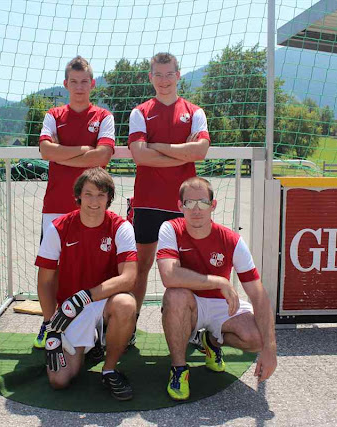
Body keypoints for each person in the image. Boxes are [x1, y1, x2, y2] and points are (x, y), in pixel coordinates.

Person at [156, 177, 277, 401]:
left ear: (213, 205)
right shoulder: (170, 228)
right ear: (179, 206)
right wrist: (218, 281)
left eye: (202, 202)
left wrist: (269, 350)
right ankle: (179, 369)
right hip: (190, 303)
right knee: (175, 294)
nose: (196, 210)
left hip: (221, 306)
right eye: (189, 203)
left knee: (256, 337)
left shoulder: (232, 240)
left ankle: (209, 342)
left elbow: (259, 296)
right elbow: (168, 275)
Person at [35, 167, 138, 400]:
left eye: (101, 195)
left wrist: (86, 296)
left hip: (102, 301)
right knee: (59, 380)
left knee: (126, 304)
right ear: (78, 195)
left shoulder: (121, 227)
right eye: (89, 194)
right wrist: (50, 325)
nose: (94, 201)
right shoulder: (59, 227)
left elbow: (129, 278)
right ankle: (91, 344)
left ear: (109, 199)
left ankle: (109, 368)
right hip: (70, 310)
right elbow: (45, 281)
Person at [34, 56, 115, 348]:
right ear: (66, 84)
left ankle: (98, 325)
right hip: (56, 204)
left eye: (85, 82)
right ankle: (48, 323)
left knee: (95, 267)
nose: (79, 87)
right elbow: (45, 150)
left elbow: (103, 156)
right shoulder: (54, 114)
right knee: (51, 268)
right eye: (74, 81)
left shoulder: (103, 116)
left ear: (92, 84)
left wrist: (62, 152)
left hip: (93, 207)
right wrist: (84, 151)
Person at [128, 52, 210, 326]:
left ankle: (190, 327)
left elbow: (200, 151)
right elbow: (140, 156)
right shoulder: (140, 112)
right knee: (140, 268)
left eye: (169, 74)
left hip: (183, 204)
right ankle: (130, 325)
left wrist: (159, 146)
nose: (164, 80)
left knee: (186, 270)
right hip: (148, 203)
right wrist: (181, 153)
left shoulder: (195, 112)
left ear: (178, 75)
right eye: (158, 75)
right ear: (150, 77)